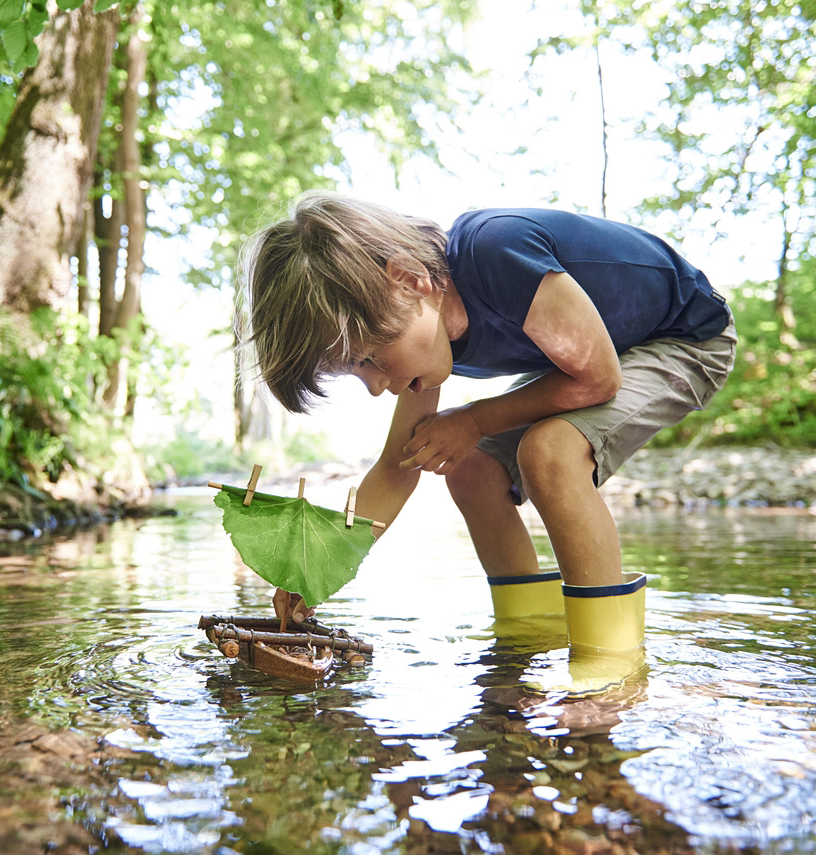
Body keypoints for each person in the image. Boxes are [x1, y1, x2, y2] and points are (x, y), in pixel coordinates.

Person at [242, 191, 736, 695]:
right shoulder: (425, 327)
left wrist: (475, 420)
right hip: (592, 360)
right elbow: (398, 467)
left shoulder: (497, 249)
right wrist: (318, 566)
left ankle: (611, 668)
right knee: (471, 467)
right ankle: (531, 637)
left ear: (409, 281)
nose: (374, 386)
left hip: (685, 338)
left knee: (549, 451)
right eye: (355, 371)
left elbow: (598, 379)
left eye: (370, 357)